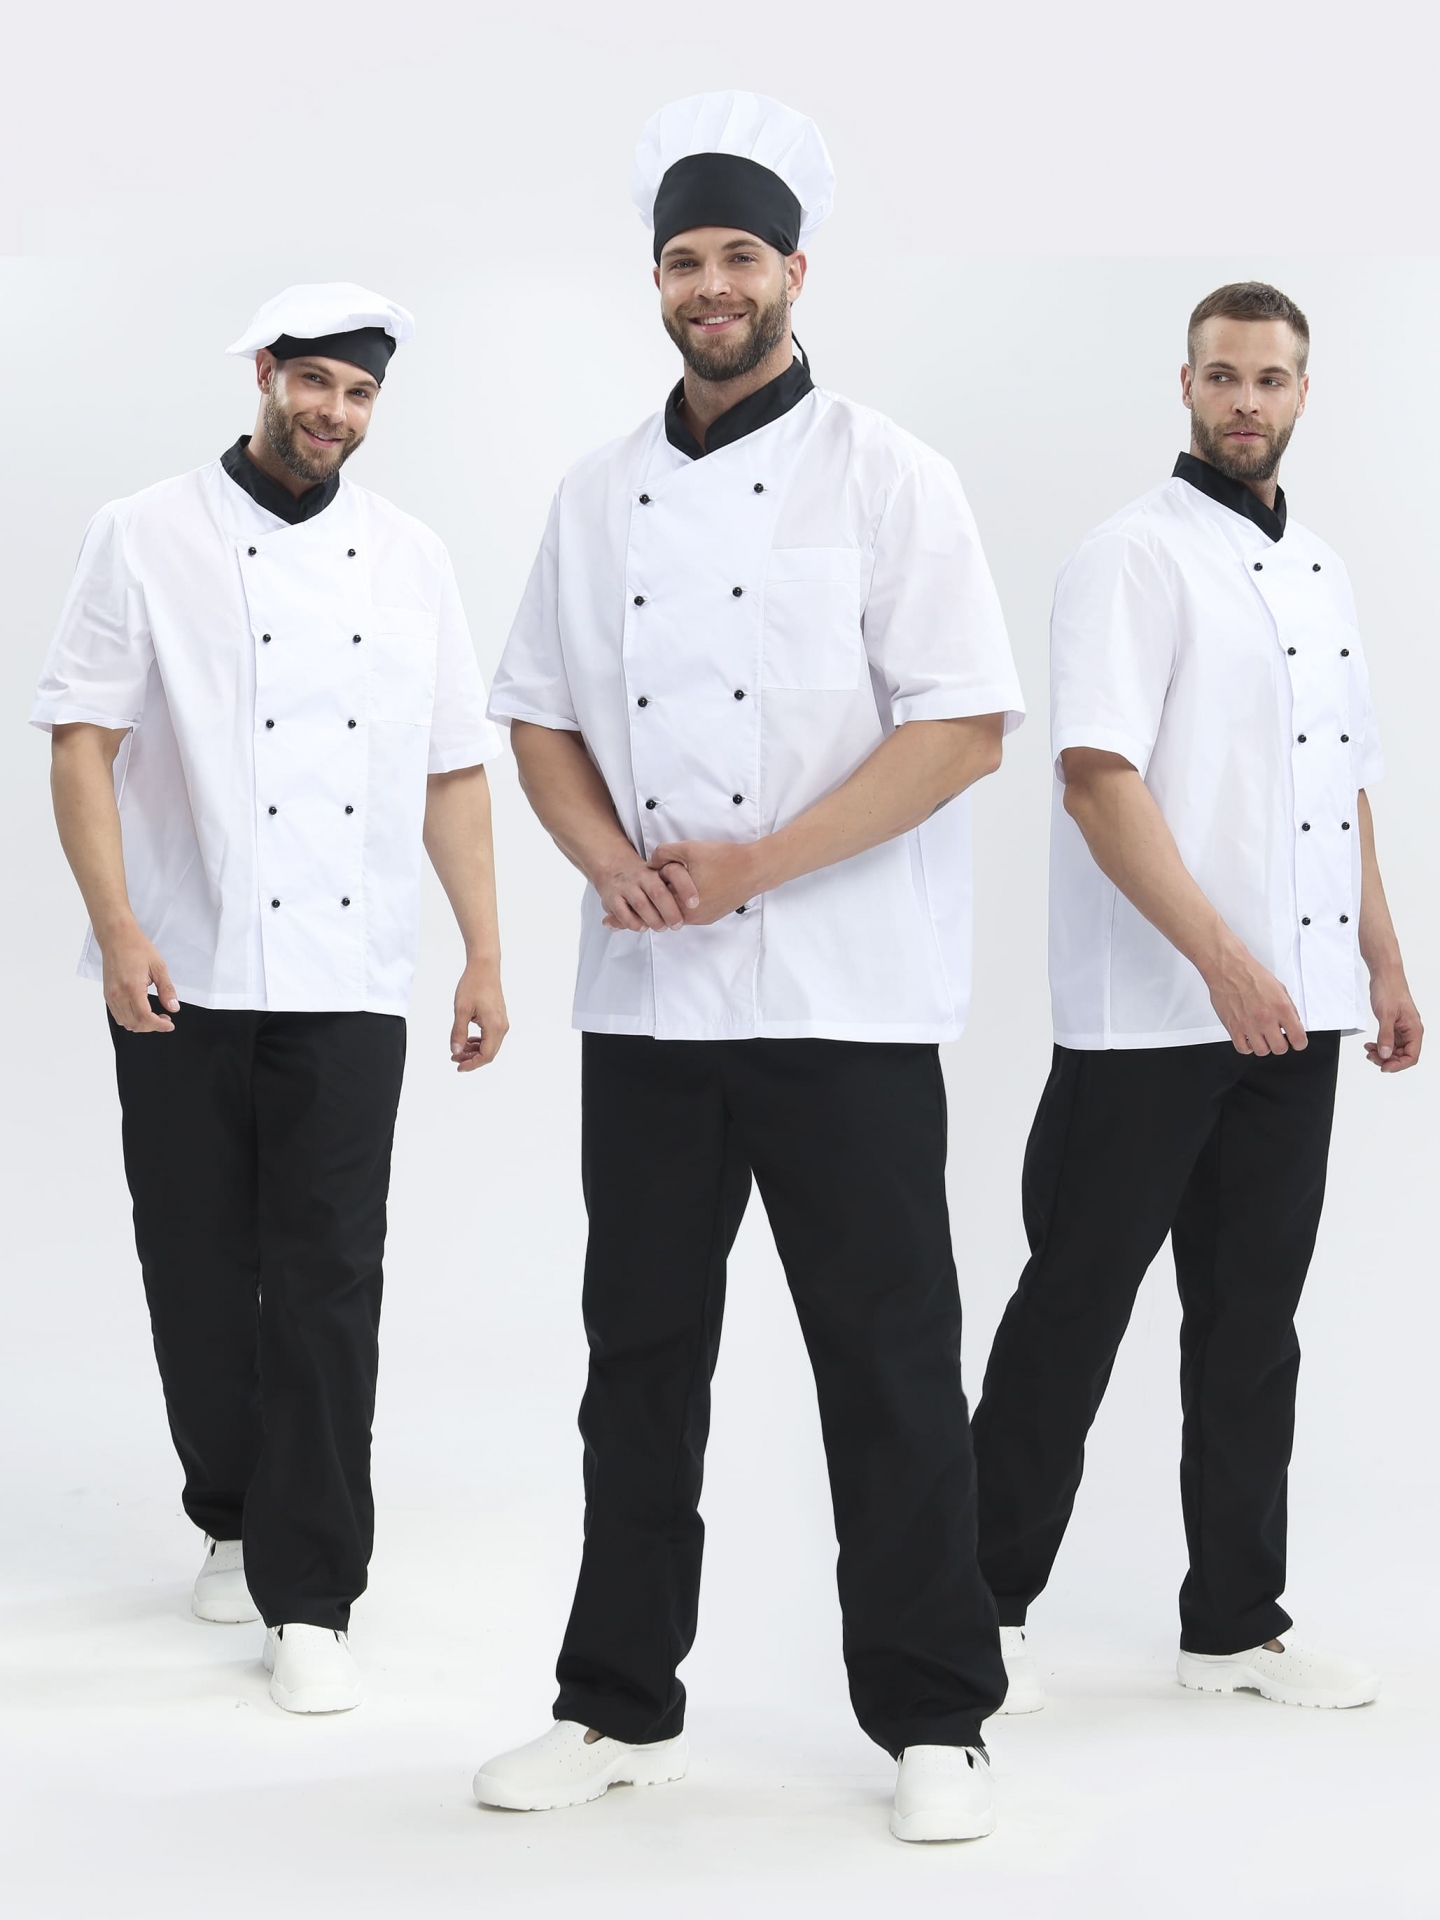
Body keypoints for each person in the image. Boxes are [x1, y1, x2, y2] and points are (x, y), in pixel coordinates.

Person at [471, 91, 1025, 1844]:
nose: (710, 285)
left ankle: (937, 1721)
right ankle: (615, 1706)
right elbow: (538, 718)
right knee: (637, 1358)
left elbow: (965, 729)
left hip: (846, 1005)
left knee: (887, 1362)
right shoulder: (594, 492)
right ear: (656, 283)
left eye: (738, 256)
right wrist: (608, 865)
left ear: (795, 271)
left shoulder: (888, 472)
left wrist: (757, 869)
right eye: (681, 261)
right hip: (647, 1008)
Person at [32, 283, 507, 1714]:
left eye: (359, 395)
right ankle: (232, 1513)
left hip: (351, 978)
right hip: (182, 965)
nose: (334, 414)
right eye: (314, 384)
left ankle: (312, 1598)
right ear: (265, 373)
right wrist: (117, 927)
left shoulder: (411, 556)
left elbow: (451, 768)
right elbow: (81, 740)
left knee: (328, 1277)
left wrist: (484, 952)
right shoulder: (144, 531)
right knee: (193, 1261)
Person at [971, 281, 1421, 1717]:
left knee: (1252, 1323)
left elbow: (1342, 784)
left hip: (1300, 1014)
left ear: (1303, 395)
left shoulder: (1324, 571)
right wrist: (1224, 962)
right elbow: (1098, 781)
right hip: (1155, 1018)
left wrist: (1381, 959)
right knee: (1074, 1309)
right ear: (1185, 385)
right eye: (1223, 376)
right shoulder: (1131, 557)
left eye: (1270, 379)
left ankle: (1234, 1624)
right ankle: (975, 1613)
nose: (1245, 401)